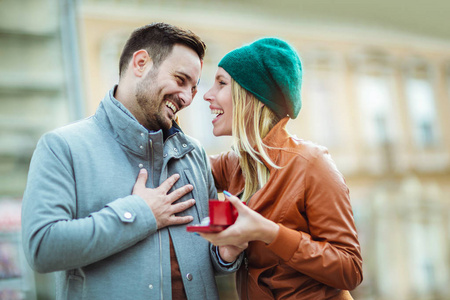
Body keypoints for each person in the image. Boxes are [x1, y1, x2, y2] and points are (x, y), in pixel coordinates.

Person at [21, 22, 241, 300]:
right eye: (180, 79)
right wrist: (140, 213)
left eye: (194, 89)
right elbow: (41, 249)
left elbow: (206, 255)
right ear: (140, 63)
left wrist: (225, 254)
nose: (187, 98)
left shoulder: (193, 153)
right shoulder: (63, 147)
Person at [201, 37, 363, 299]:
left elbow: (350, 269)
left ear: (252, 95)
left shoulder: (312, 164)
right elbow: (182, 161)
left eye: (221, 83)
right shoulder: (234, 164)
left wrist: (269, 233)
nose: (207, 94)